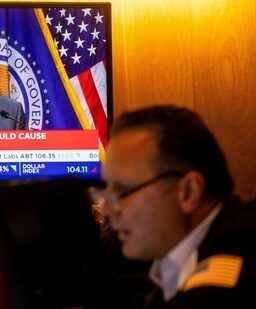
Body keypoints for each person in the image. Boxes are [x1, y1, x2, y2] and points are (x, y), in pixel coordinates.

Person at [93, 105, 256, 308]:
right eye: (105, 192)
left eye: (122, 191)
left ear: (189, 192)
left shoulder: (223, 292)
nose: (107, 209)